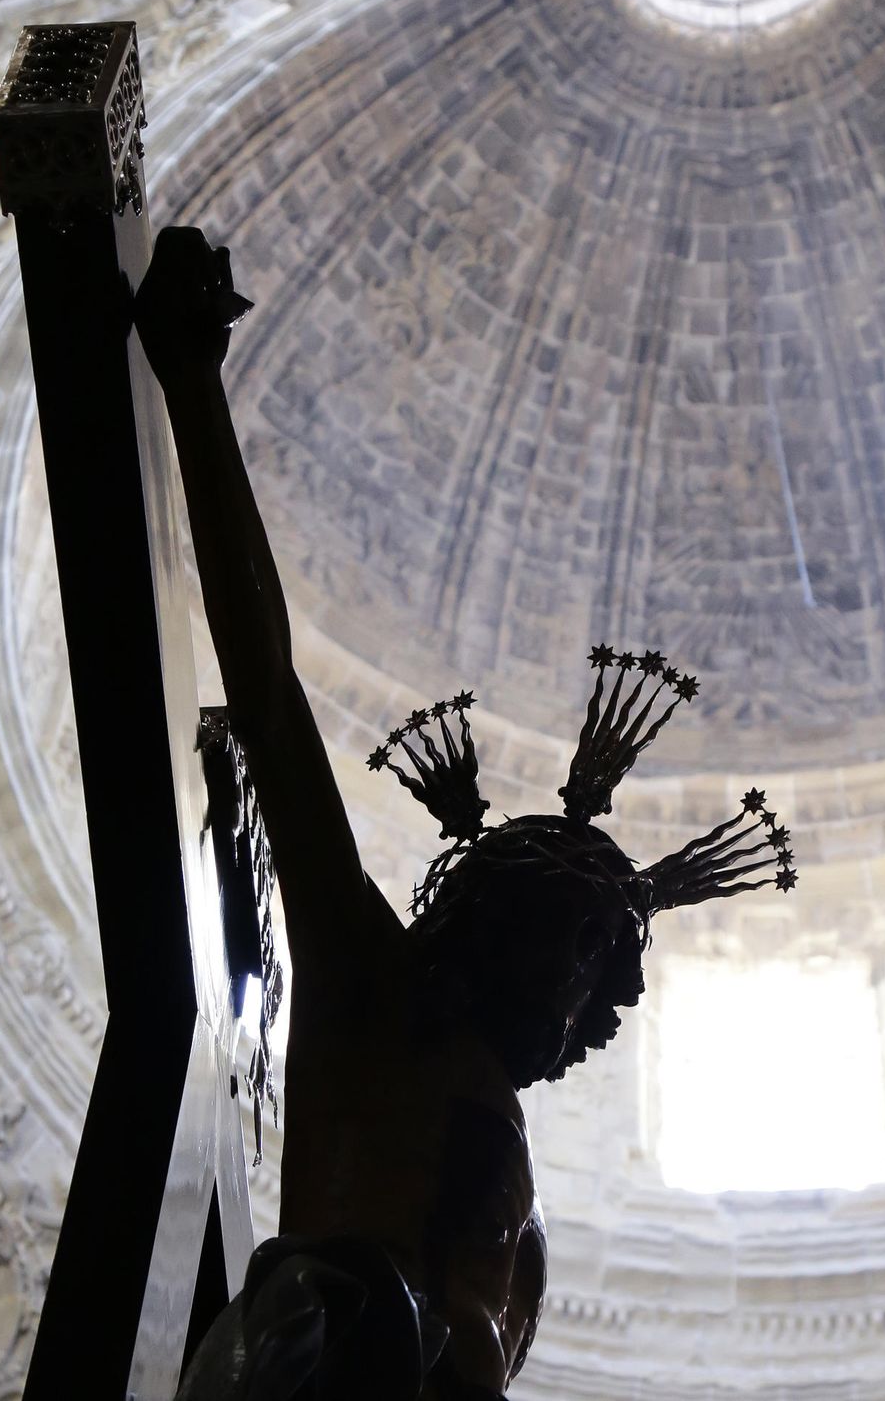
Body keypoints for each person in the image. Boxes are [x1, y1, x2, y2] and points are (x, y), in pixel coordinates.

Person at [136, 227, 795, 1399]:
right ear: (494, 920)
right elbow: (272, 699)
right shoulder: (371, 982)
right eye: (587, 947)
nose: (605, 996)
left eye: (608, 968)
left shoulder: (511, 1177)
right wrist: (191, 386)